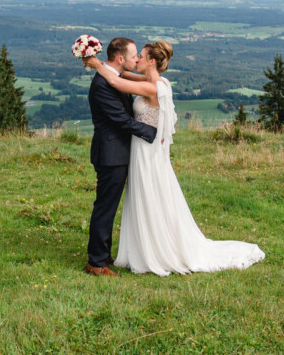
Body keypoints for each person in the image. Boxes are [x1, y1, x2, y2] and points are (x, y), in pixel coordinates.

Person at [85, 41, 265, 276]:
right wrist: (102, 65)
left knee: (146, 198)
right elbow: (121, 76)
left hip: (145, 150)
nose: (137, 59)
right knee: (117, 203)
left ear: (151, 61)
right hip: (132, 151)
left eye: (140, 56)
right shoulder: (154, 82)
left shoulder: (154, 87)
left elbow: (118, 81)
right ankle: (105, 257)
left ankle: (137, 251)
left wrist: (97, 64)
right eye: (134, 55)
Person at [85, 37, 157, 276]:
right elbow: (122, 120)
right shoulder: (102, 85)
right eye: (133, 56)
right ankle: (96, 263)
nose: (136, 60)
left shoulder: (114, 76)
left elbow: (129, 82)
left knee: (109, 206)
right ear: (119, 59)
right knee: (105, 208)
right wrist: (152, 132)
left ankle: (103, 255)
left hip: (118, 153)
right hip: (111, 155)